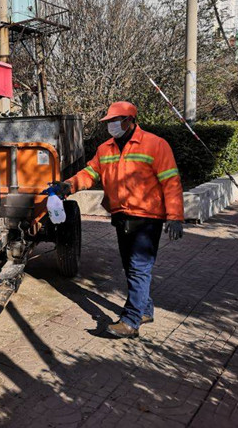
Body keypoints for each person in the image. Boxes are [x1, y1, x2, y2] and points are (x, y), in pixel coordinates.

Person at [50, 101, 184, 338]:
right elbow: (90, 173)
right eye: (109, 121)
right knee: (130, 266)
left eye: (115, 120)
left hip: (147, 218)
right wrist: (68, 186)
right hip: (121, 216)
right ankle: (145, 309)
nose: (111, 125)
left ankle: (130, 321)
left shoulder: (155, 145)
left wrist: (175, 216)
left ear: (130, 120)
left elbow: (171, 182)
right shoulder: (105, 149)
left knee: (139, 267)